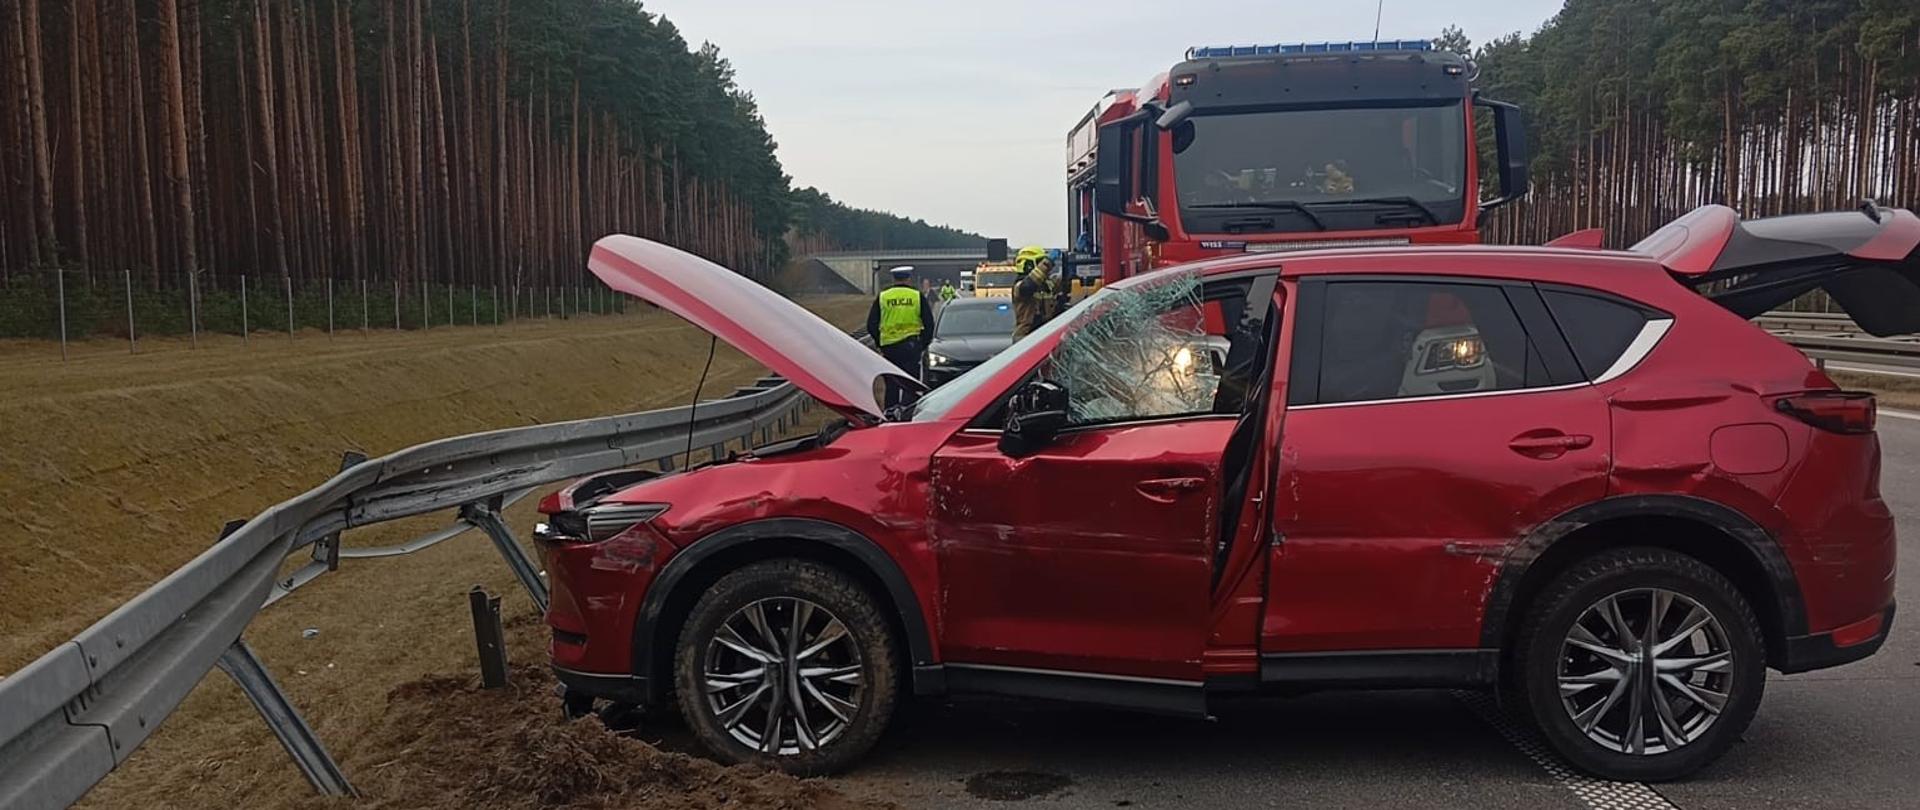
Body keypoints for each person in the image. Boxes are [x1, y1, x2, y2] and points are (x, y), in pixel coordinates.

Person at [866, 265, 934, 409]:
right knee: (911, 384)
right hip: (911, 347)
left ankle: (891, 414)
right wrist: (922, 345)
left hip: (889, 348)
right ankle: (909, 413)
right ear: (909, 278)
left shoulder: (883, 297)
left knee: (891, 385)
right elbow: (929, 323)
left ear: (894, 279)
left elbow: (871, 324)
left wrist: (880, 343)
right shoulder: (916, 296)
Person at [1011, 246, 1058, 338]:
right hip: (1025, 338)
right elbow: (1028, 286)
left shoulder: (1046, 285)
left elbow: (1062, 281)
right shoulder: (1019, 286)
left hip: (1044, 335)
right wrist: (1048, 262)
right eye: (1040, 261)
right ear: (1029, 264)